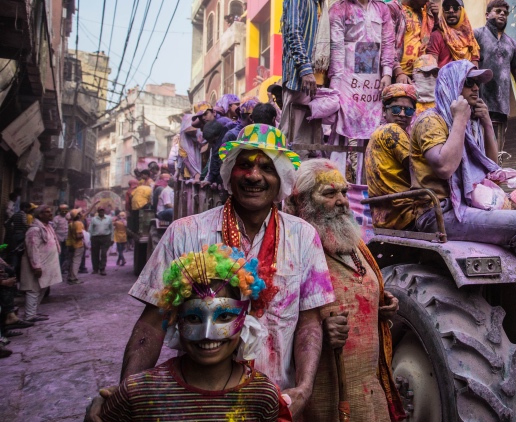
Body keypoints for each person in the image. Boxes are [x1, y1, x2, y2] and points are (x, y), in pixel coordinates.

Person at [86, 124, 335, 421]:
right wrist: (125, 394)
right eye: (244, 165)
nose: (254, 176)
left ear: (281, 178)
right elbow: (152, 324)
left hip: (274, 403)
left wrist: (304, 389)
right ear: (230, 172)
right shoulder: (185, 233)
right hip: (197, 404)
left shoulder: (304, 237)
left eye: (267, 167)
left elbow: (309, 322)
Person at [410, 61, 516, 297]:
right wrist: (459, 120)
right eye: (468, 83)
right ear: (452, 85)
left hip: (468, 206)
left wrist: (487, 123)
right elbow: (445, 168)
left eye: (477, 83)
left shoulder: (469, 124)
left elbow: (491, 168)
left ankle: (513, 295)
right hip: (439, 214)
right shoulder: (430, 120)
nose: (476, 88)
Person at [100, 245, 291, 421]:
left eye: (224, 315)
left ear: (246, 318)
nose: (207, 333)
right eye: (193, 317)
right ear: (176, 320)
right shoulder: (138, 393)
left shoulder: (263, 396)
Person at [284, 160, 404, 421]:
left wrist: (381, 303)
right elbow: (273, 325)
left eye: (343, 192)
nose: (342, 201)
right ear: (303, 202)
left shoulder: (352, 241)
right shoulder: (293, 250)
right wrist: (316, 331)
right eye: (329, 193)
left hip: (370, 390)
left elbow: (363, 284)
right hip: (325, 397)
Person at [328, 0, 396, 183]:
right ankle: (337, 182)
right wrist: (336, 81)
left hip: (374, 81)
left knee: (372, 133)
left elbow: (388, 42)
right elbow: (336, 46)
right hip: (347, 76)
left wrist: (387, 73)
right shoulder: (339, 8)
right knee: (342, 133)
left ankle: (367, 186)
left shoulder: (382, 9)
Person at [278, 0, 336, 155]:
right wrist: (305, 71)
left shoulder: (319, 1)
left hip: (316, 82)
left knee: (309, 144)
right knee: (289, 139)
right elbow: (293, 34)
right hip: (300, 80)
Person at [474, 0, 516, 152]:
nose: (502, 14)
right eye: (498, 11)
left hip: (501, 108)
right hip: (478, 104)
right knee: (477, 149)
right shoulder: (477, 35)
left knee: (496, 151)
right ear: (487, 15)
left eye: (505, 13)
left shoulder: (511, 44)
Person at [366, 84, 418, 230]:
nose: (402, 114)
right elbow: (419, 168)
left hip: (387, 217)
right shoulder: (392, 130)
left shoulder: (379, 133)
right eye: (396, 109)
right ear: (384, 111)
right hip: (406, 214)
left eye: (408, 110)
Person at [386, 0, 436, 83]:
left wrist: (435, 16)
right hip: (398, 77)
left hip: (419, 76)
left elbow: (434, 39)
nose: (428, 0)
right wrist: (398, 72)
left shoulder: (422, 14)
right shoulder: (392, 9)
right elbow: (387, 45)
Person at [20, 205, 61, 322]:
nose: (50, 214)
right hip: (37, 265)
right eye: (47, 212)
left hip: (47, 264)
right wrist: (36, 266)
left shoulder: (47, 227)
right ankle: (29, 315)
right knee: (33, 289)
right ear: (40, 215)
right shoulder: (34, 230)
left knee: (42, 288)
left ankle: (33, 313)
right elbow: (32, 249)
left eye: (50, 211)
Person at [428, 0, 480, 68]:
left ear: (462, 12)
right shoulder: (436, 36)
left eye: (455, 7)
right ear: (443, 11)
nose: (451, 11)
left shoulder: (471, 40)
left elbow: (475, 70)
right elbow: (432, 69)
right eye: (447, 7)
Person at [4, 201, 30, 278]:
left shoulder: (15, 214)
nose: (28, 210)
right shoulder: (23, 214)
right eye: (28, 208)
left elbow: (6, 223)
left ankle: (13, 269)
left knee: (14, 252)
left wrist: (11, 230)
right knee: (20, 253)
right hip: (21, 236)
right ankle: (17, 272)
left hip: (14, 236)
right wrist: (29, 229)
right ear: (25, 208)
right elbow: (25, 224)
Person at [201, 119, 227, 186]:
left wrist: (217, 181)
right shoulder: (214, 146)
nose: (213, 145)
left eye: (214, 142)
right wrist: (210, 180)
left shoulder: (227, 142)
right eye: (210, 143)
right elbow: (214, 162)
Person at [88, 207, 113, 276]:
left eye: (102, 210)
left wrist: (112, 238)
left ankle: (102, 269)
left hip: (106, 237)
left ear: (104, 211)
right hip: (95, 238)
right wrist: (90, 238)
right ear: (98, 212)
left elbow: (112, 229)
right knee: (95, 254)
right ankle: (95, 269)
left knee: (103, 254)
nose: (101, 212)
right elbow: (90, 229)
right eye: (100, 211)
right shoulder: (94, 219)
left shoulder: (109, 218)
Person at [53, 204, 70, 274]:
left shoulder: (67, 217)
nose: (64, 212)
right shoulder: (56, 218)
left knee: (65, 254)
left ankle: (63, 268)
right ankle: (58, 269)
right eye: (63, 211)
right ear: (59, 211)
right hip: (58, 238)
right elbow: (53, 228)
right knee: (58, 254)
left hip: (66, 238)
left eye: (66, 211)